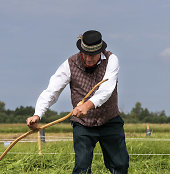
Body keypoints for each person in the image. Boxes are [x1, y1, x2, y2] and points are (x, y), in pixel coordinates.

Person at [26, 30, 129, 174]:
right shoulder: (70, 64)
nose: (88, 58)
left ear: (100, 51)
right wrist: (37, 115)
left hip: (110, 120)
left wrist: (87, 105)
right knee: (82, 167)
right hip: (83, 125)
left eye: (92, 55)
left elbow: (106, 89)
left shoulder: (112, 60)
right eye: (84, 53)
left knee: (120, 165)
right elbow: (52, 91)